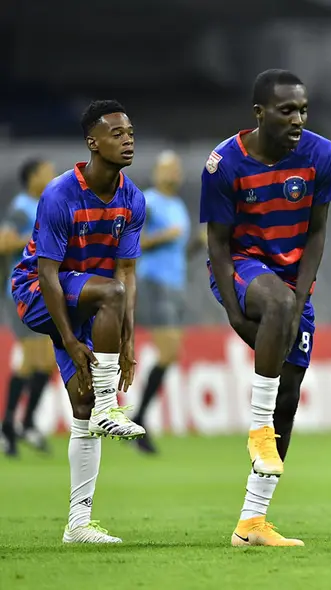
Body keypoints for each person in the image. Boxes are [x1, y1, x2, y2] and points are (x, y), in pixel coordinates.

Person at [201, 69, 331, 547]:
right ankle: (257, 431)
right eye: (287, 110)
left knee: (289, 397)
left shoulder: (322, 155)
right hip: (243, 266)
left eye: (302, 109)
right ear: (259, 113)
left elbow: (318, 230)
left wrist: (302, 297)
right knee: (277, 303)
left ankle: (252, 523)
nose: (298, 118)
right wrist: (233, 312)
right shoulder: (224, 164)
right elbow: (217, 244)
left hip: (292, 280)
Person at [9, 100, 147, 543]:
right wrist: (68, 339)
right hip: (38, 292)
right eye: (116, 134)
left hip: (90, 299)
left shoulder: (132, 199)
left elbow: (126, 272)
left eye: (129, 132)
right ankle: (111, 404)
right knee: (109, 291)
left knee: (82, 412)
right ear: (93, 142)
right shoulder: (60, 193)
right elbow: (48, 271)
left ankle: (78, 524)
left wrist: (126, 341)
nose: (127, 139)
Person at [131, 150, 194, 454]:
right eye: (168, 169)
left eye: (177, 169)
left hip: (175, 284)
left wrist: (197, 243)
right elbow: (131, 241)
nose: (174, 174)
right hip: (154, 282)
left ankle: (139, 417)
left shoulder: (178, 205)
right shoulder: (149, 202)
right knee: (168, 350)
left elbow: (177, 251)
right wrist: (164, 237)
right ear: (156, 172)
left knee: (169, 354)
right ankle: (138, 418)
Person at [1, 158, 57, 456]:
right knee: (35, 359)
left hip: (41, 293)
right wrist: (35, 241)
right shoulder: (21, 207)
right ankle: (13, 425)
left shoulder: (45, 204)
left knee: (44, 362)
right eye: (46, 171)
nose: (52, 175)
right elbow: (4, 244)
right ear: (33, 177)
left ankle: (21, 423)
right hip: (21, 293)